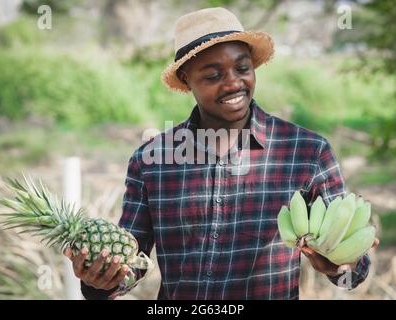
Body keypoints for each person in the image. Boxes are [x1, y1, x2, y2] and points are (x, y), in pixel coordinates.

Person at [65, 7, 378, 300]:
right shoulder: (152, 161)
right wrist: (97, 284)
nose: (233, 83)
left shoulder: (307, 153)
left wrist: (339, 266)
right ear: (186, 79)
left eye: (242, 68)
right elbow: (132, 262)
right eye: (213, 75)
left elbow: (353, 274)